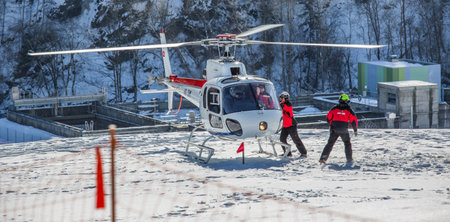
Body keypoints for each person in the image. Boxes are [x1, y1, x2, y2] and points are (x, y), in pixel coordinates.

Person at [319, 94, 358, 164]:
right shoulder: (349, 110)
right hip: (344, 130)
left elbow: (328, 117)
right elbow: (353, 120)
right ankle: (349, 159)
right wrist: (355, 130)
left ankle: (323, 158)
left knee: (330, 144)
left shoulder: (334, 108)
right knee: (347, 143)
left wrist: (332, 125)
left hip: (334, 129)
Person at [279, 91, 307, 157]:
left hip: (292, 125)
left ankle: (303, 153)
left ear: (286, 99)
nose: (280, 99)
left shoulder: (288, 105)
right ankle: (288, 153)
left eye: (282, 98)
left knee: (296, 139)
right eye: (280, 98)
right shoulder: (281, 105)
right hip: (285, 126)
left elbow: (283, 107)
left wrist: (277, 105)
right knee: (282, 139)